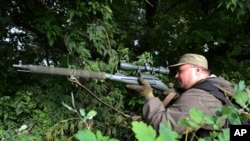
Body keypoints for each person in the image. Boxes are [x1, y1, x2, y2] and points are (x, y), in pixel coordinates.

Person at [126, 53, 233, 138]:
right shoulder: (219, 86)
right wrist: (177, 98)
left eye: (180, 71)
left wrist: (149, 96)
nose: (176, 76)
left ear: (197, 70)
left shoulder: (198, 97)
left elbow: (163, 128)